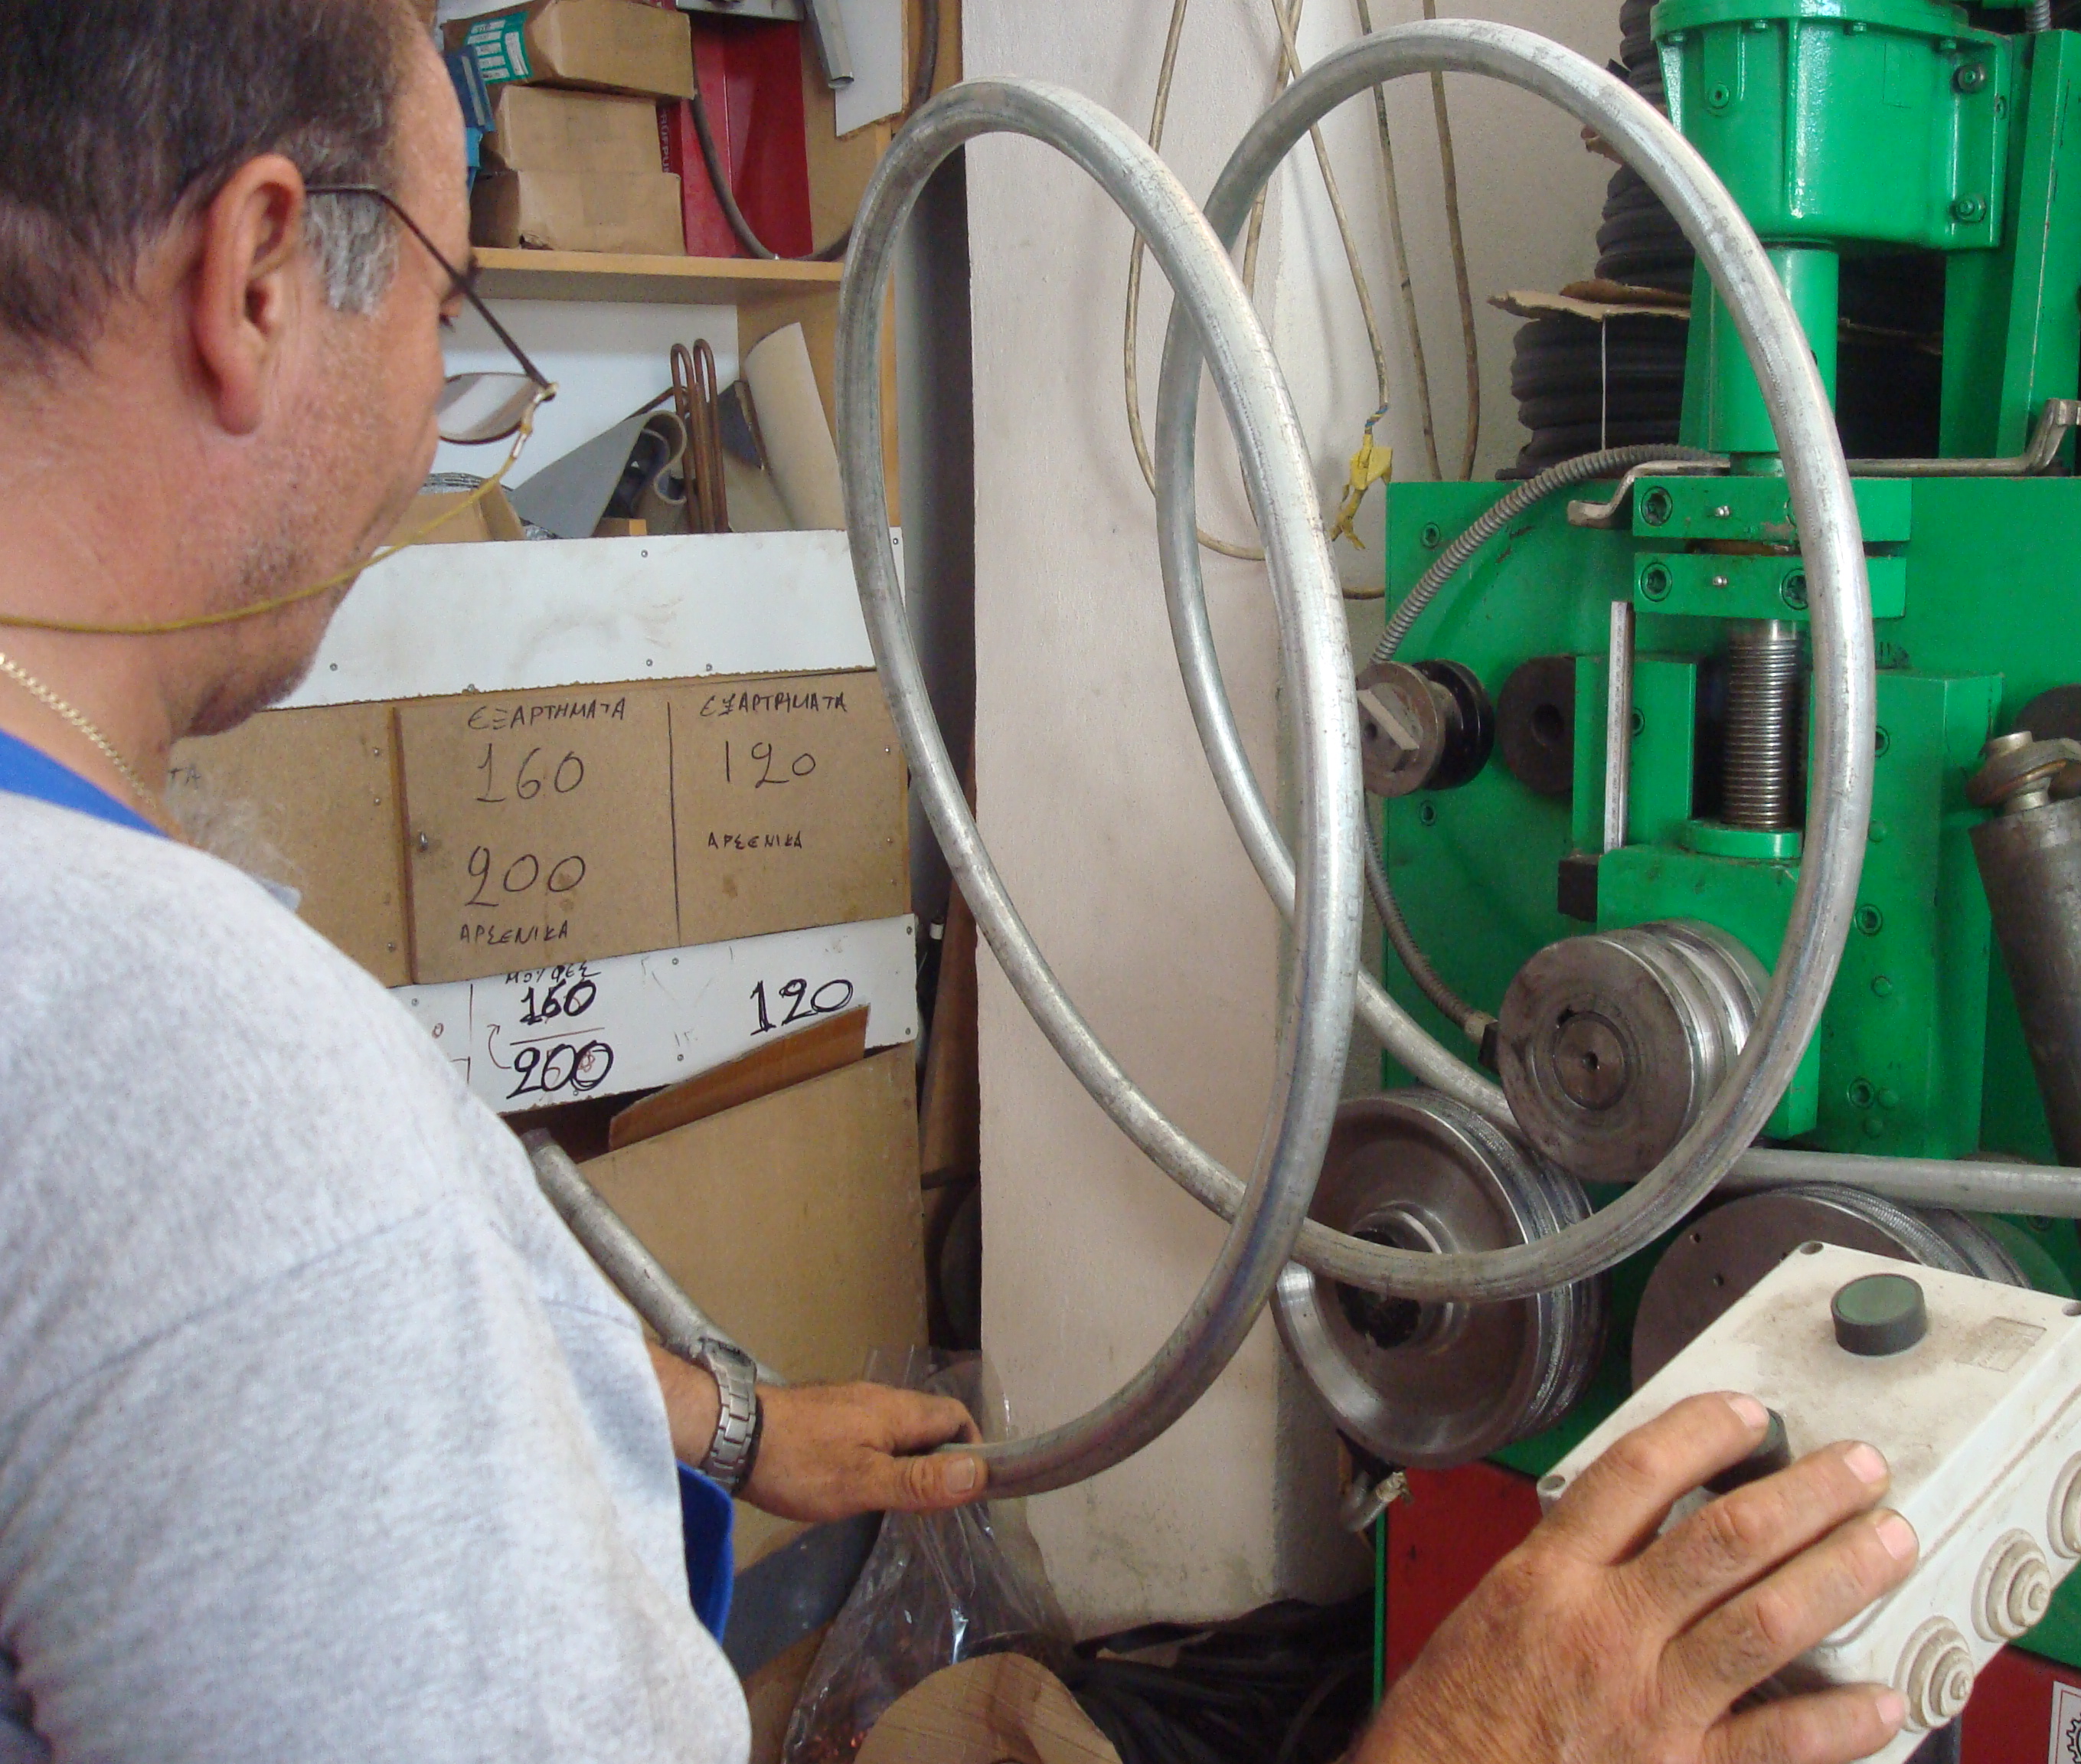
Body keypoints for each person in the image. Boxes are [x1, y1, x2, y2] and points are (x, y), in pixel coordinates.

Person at [0, 5, 1919, 1760]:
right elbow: (269, 1293)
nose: (436, 407)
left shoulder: (106, 988)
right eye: (447, 308)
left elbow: (280, 1375)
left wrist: (735, 1429)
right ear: (259, 274)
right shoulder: (215, 1091)